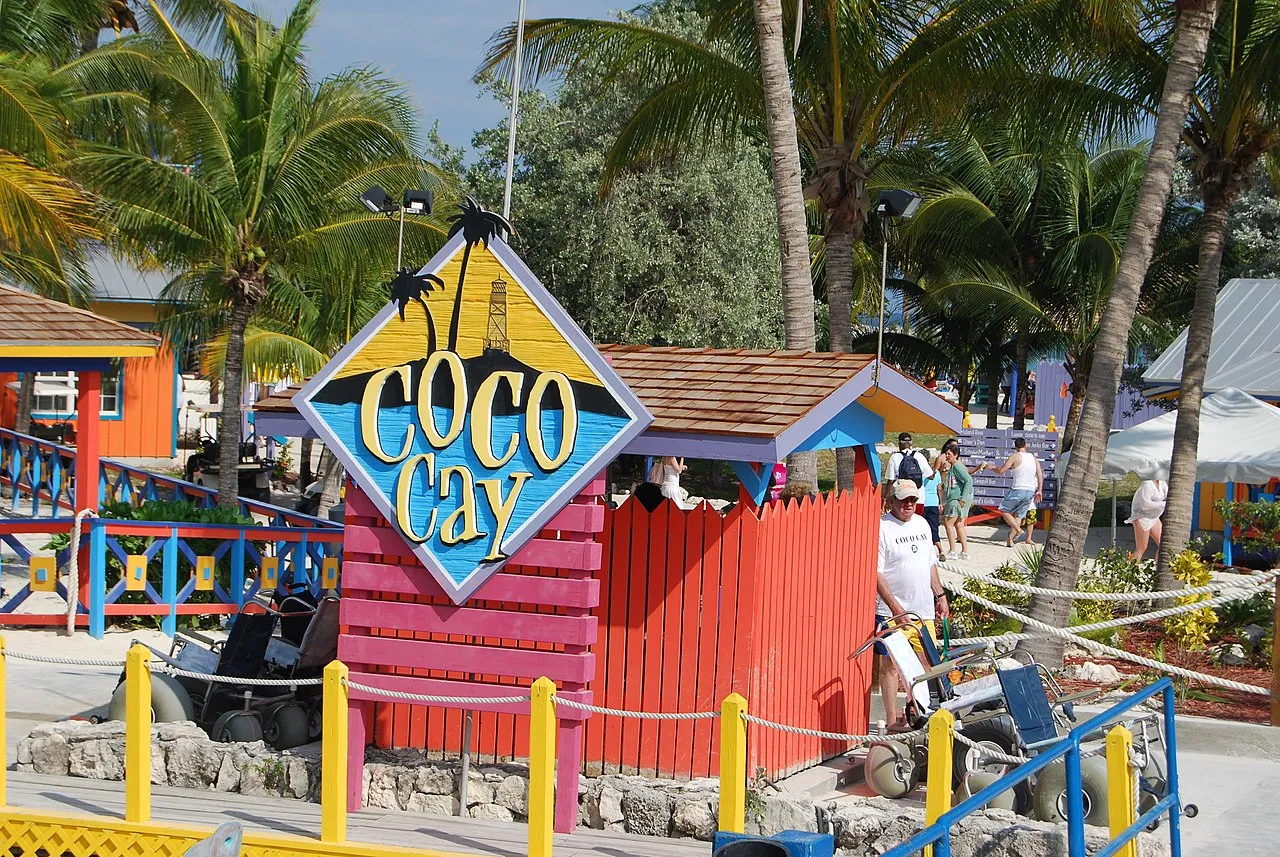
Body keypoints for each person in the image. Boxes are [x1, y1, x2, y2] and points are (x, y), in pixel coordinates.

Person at [874, 479, 950, 731]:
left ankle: (918, 713)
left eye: (912, 500)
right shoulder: (882, 527)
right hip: (892, 612)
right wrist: (896, 609)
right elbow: (877, 574)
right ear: (892, 501)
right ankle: (891, 720)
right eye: (903, 500)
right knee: (890, 666)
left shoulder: (922, 523)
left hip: (922, 608)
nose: (908, 504)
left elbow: (930, 565)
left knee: (926, 663)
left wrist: (940, 595)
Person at [978, 437, 1043, 547]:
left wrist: (992, 467)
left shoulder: (1015, 457)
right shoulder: (1033, 458)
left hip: (1018, 488)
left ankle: (1019, 530)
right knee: (1018, 516)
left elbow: (1001, 471)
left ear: (1015, 447)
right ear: (1026, 445)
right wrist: (1040, 490)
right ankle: (1010, 540)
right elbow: (1040, 474)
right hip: (1030, 490)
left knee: (1004, 510)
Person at [941, 442, 973, 560]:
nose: (946, 456)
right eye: (946, 454)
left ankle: (952, 551)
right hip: (957, 498)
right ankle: (964, 552)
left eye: (949, 454)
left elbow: (968, 480)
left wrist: (963, 498)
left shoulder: (957, 466)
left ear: (955, 455)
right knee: (959, 524)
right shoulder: (954, 466)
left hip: (956, 499)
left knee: (948, 523)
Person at [1127, 479, 1167, 561]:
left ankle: (1158, 566)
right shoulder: (1147, 484)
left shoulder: (1163, 483)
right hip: (1142, 517)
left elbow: (1169, 496)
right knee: (1141, 548)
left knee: (1163, 544)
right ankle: (1129, 567)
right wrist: (1163, 504)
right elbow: (1145, 505)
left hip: (1154, 517)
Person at [922, 456, 945, 562]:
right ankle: (940, 550)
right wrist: (940, 503)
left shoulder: (921, 472)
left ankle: (931, 550)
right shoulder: (937, 473)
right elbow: (939, 489)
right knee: (934, 527)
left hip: (923, 502)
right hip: (933, 502)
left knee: (923, 528)